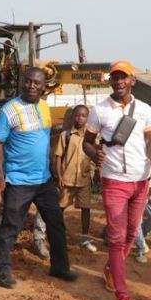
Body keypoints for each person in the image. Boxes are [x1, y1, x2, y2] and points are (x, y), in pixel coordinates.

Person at [83, 60, 151, 300]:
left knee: (132, 232)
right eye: (114, 77)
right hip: (114, 181)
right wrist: (94, 152)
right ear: (110, 81)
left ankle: (111, 268)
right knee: (117, 239)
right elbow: (88, 142)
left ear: (132, 81)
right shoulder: (99, 110)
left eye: (123, 77)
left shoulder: (144, 110)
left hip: (140, 181)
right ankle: (122, 296)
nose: (118, 81)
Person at [0, 67, 78, 289]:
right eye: (28, 81)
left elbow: (46, 138)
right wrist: (0, 176)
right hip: (18, 180)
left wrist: (52, 166)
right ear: (23, 82)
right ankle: (2, 270)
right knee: (11, 226)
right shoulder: (8, 110)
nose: (32, 86)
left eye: (37, 83)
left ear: (43, 86)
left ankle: (60, 267)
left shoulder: (43, 107)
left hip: (43, 180)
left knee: (56, 224)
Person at [53, 104, 97, 253]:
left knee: (86, 208)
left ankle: (85, 238)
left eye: (84, 115)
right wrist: (59, 175)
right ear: (72, 117)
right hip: (67, 179)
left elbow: (96, 155)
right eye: (77, 115)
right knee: (60, 207)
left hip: (84, 179)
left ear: (88, 118)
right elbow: (58, 157)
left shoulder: (91, 137)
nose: (80, 118)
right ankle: (57, 234)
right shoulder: (65, 135)